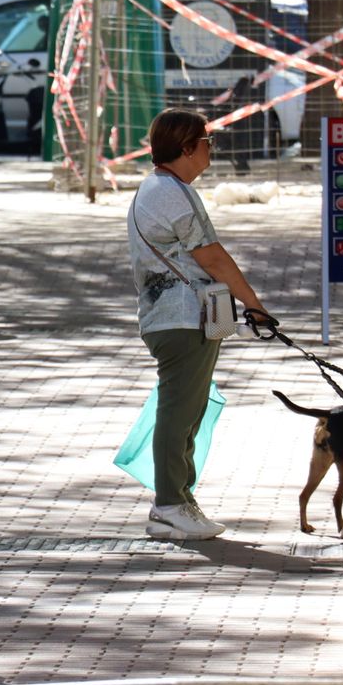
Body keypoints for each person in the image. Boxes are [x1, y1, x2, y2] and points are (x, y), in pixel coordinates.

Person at [126, 108, 274, 541]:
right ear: (186, 147)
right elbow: (211, 256)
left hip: (191, 315)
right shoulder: (168, 192)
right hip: (181, 317)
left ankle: (179, 498)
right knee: (179, 411)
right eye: (206, 141)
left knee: (189, 410)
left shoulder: (167, 188)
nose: (211, 148)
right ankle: (169, 503)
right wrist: (255, 304)